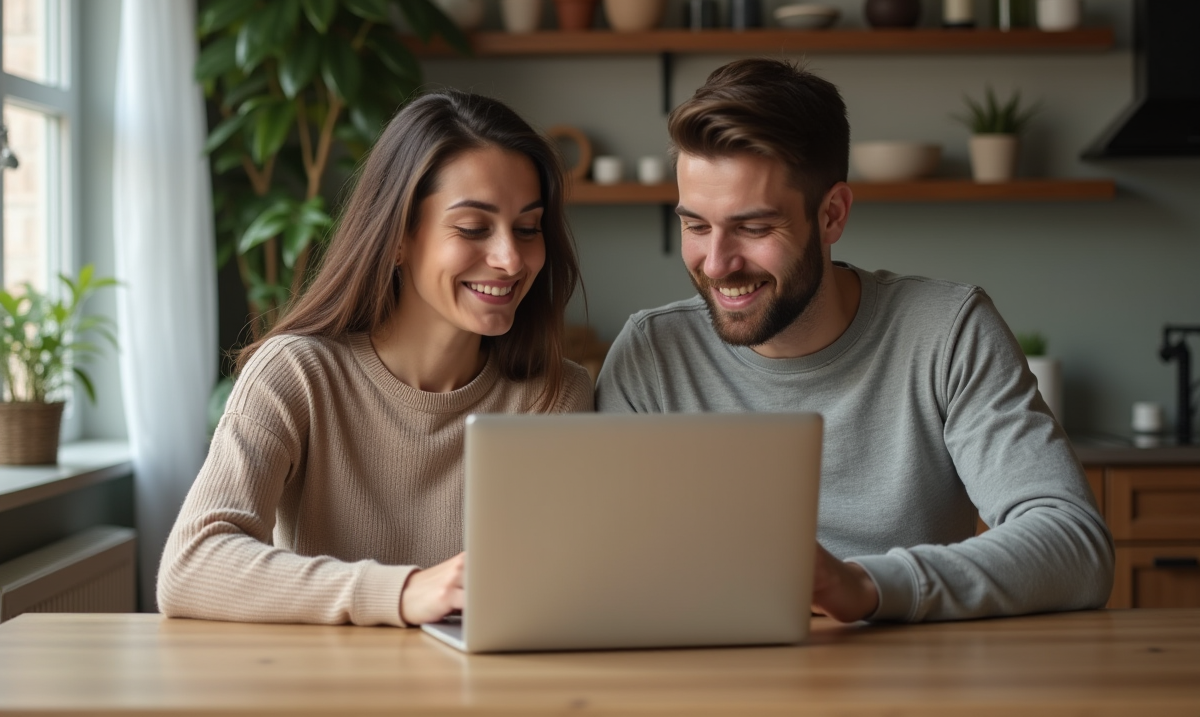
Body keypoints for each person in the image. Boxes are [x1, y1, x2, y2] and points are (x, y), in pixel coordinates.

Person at [595, 58, 1113, 623]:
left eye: (754, 227)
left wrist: (863, 585)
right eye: (696, 225)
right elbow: (603, 565)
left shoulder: (945, 331)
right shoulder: (651, 355)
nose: (717, 263)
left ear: (832, 215)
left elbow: (1074, 547)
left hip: (907, 672)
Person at [158, 90, 593, 627]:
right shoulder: (295, 374)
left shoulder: (555, 395)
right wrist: (402, 592)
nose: (510, 259)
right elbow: (191, 564)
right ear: (397, 239)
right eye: (473, 228)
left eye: (527, 229)